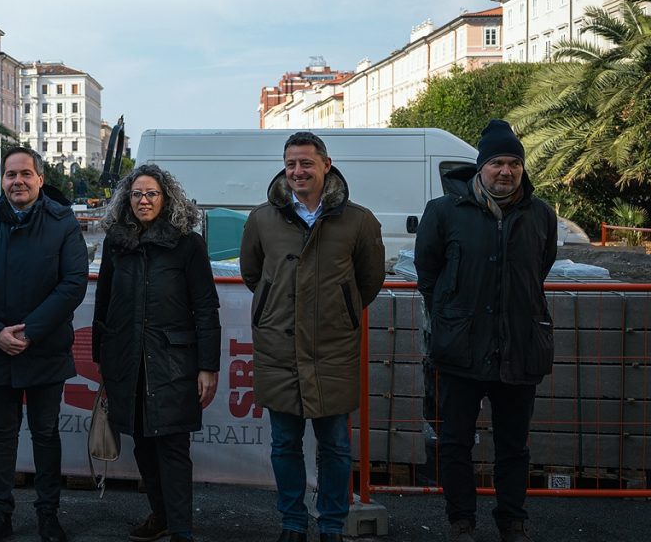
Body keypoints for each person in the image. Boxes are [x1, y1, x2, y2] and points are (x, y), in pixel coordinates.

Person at [414, 119, 557, 542]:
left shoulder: (540, 215)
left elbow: (540, 267)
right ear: (481, 167)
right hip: (462, 350)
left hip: (519, 348)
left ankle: (512, 520)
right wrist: (448, 318)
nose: (506, 171)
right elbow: (428, 274)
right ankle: (462, 520)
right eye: (497, 162)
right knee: (456, 442)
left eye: (514, 162)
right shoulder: (444, 212)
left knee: (514, 446)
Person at [239, 131, 385, 542]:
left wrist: (336, 308)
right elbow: (254, 275)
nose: (298, 171)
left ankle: (333, 523)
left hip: (332, 347)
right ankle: (292, 521)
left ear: (326, 164)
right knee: (284, 443)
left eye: (306, 163)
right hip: (278, 346)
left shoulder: (358, 220)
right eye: (291, 164)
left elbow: (368, 282)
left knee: (335, 444)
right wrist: (274, 304)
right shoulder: (262, 219)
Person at [0, 147, 88, 542]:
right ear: (3, 181)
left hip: (45, 350)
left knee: (46, 435)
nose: (19, 181)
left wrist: (30, 331)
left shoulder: (64, 224)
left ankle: (48, 514)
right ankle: (0, 515)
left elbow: (73, 284)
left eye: (26, 174)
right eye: (11, 174)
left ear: (40, 179)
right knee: (3, 433)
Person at [92, 164, 221, 542]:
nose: (143, 200)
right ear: (126, 200)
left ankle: (181, 529)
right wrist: (103, 359)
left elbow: (205, 307)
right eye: (136, 194)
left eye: (151, 194)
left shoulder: (187, 243)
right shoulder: (116, 243)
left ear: (167, 199)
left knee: (173, 449)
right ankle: (161, 516)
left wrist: (207, 366)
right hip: (127, 360)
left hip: (173, 362)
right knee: (143, 446)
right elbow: (104, 302)